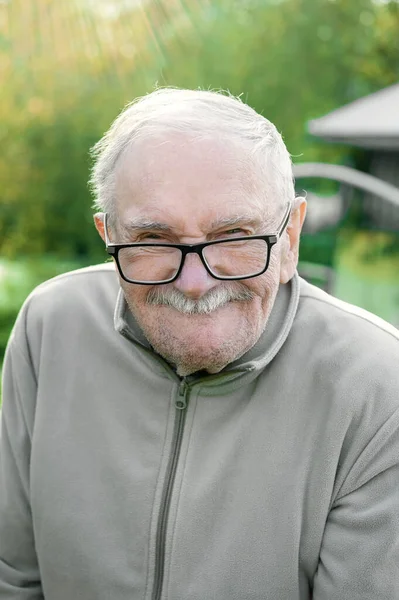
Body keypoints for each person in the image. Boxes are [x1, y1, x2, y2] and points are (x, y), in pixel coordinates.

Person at [0, 88, 398, 600]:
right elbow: (14, 577)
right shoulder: (50, 327)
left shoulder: (378, 388)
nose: (193, 283)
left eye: (234, 234)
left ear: (290, 239)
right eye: (153, 240)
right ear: (108, 235)